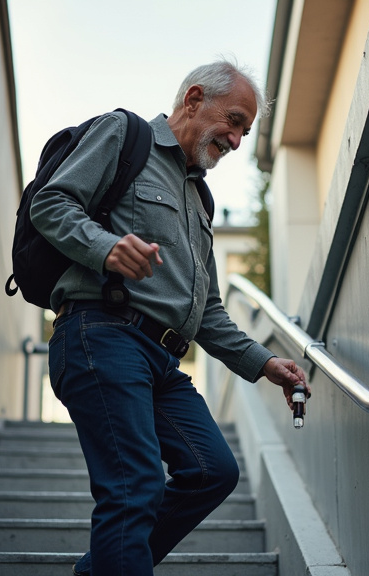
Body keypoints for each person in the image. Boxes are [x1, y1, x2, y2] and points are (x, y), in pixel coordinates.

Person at [30, 59, 310, 576]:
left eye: (245, 132)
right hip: (102, 336)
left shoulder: (200, 198)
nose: (237, 140)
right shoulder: (123, 135)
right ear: (194, 98)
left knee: (213, 470)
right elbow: (50, 203)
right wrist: (106, 247)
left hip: (162, 362)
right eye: (233, 121)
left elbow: (209, 312)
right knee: (134, 487)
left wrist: (264, 363)